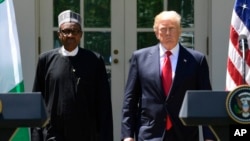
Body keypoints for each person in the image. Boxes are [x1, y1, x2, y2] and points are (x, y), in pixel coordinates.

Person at [121, 11, 216, 141]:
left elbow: (205, 101)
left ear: (179, 31)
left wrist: (209, 137)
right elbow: (130, 100)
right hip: (150, 133)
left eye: (172, 28)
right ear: (156, 33)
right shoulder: (140, 58)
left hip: (184, 133)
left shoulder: (196, 60)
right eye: (163, 29)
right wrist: (127, 135)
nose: (167, 33)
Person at [31, 10, 113, 141]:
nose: (70, 35)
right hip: (53, 135)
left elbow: (103, 105)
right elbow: (37, 102)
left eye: (75, 31)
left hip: (86, 135)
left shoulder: (94, 61)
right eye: (66, 31)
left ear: (80, 34)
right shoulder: (45, 60)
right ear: (59, 34)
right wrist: (36, 137)